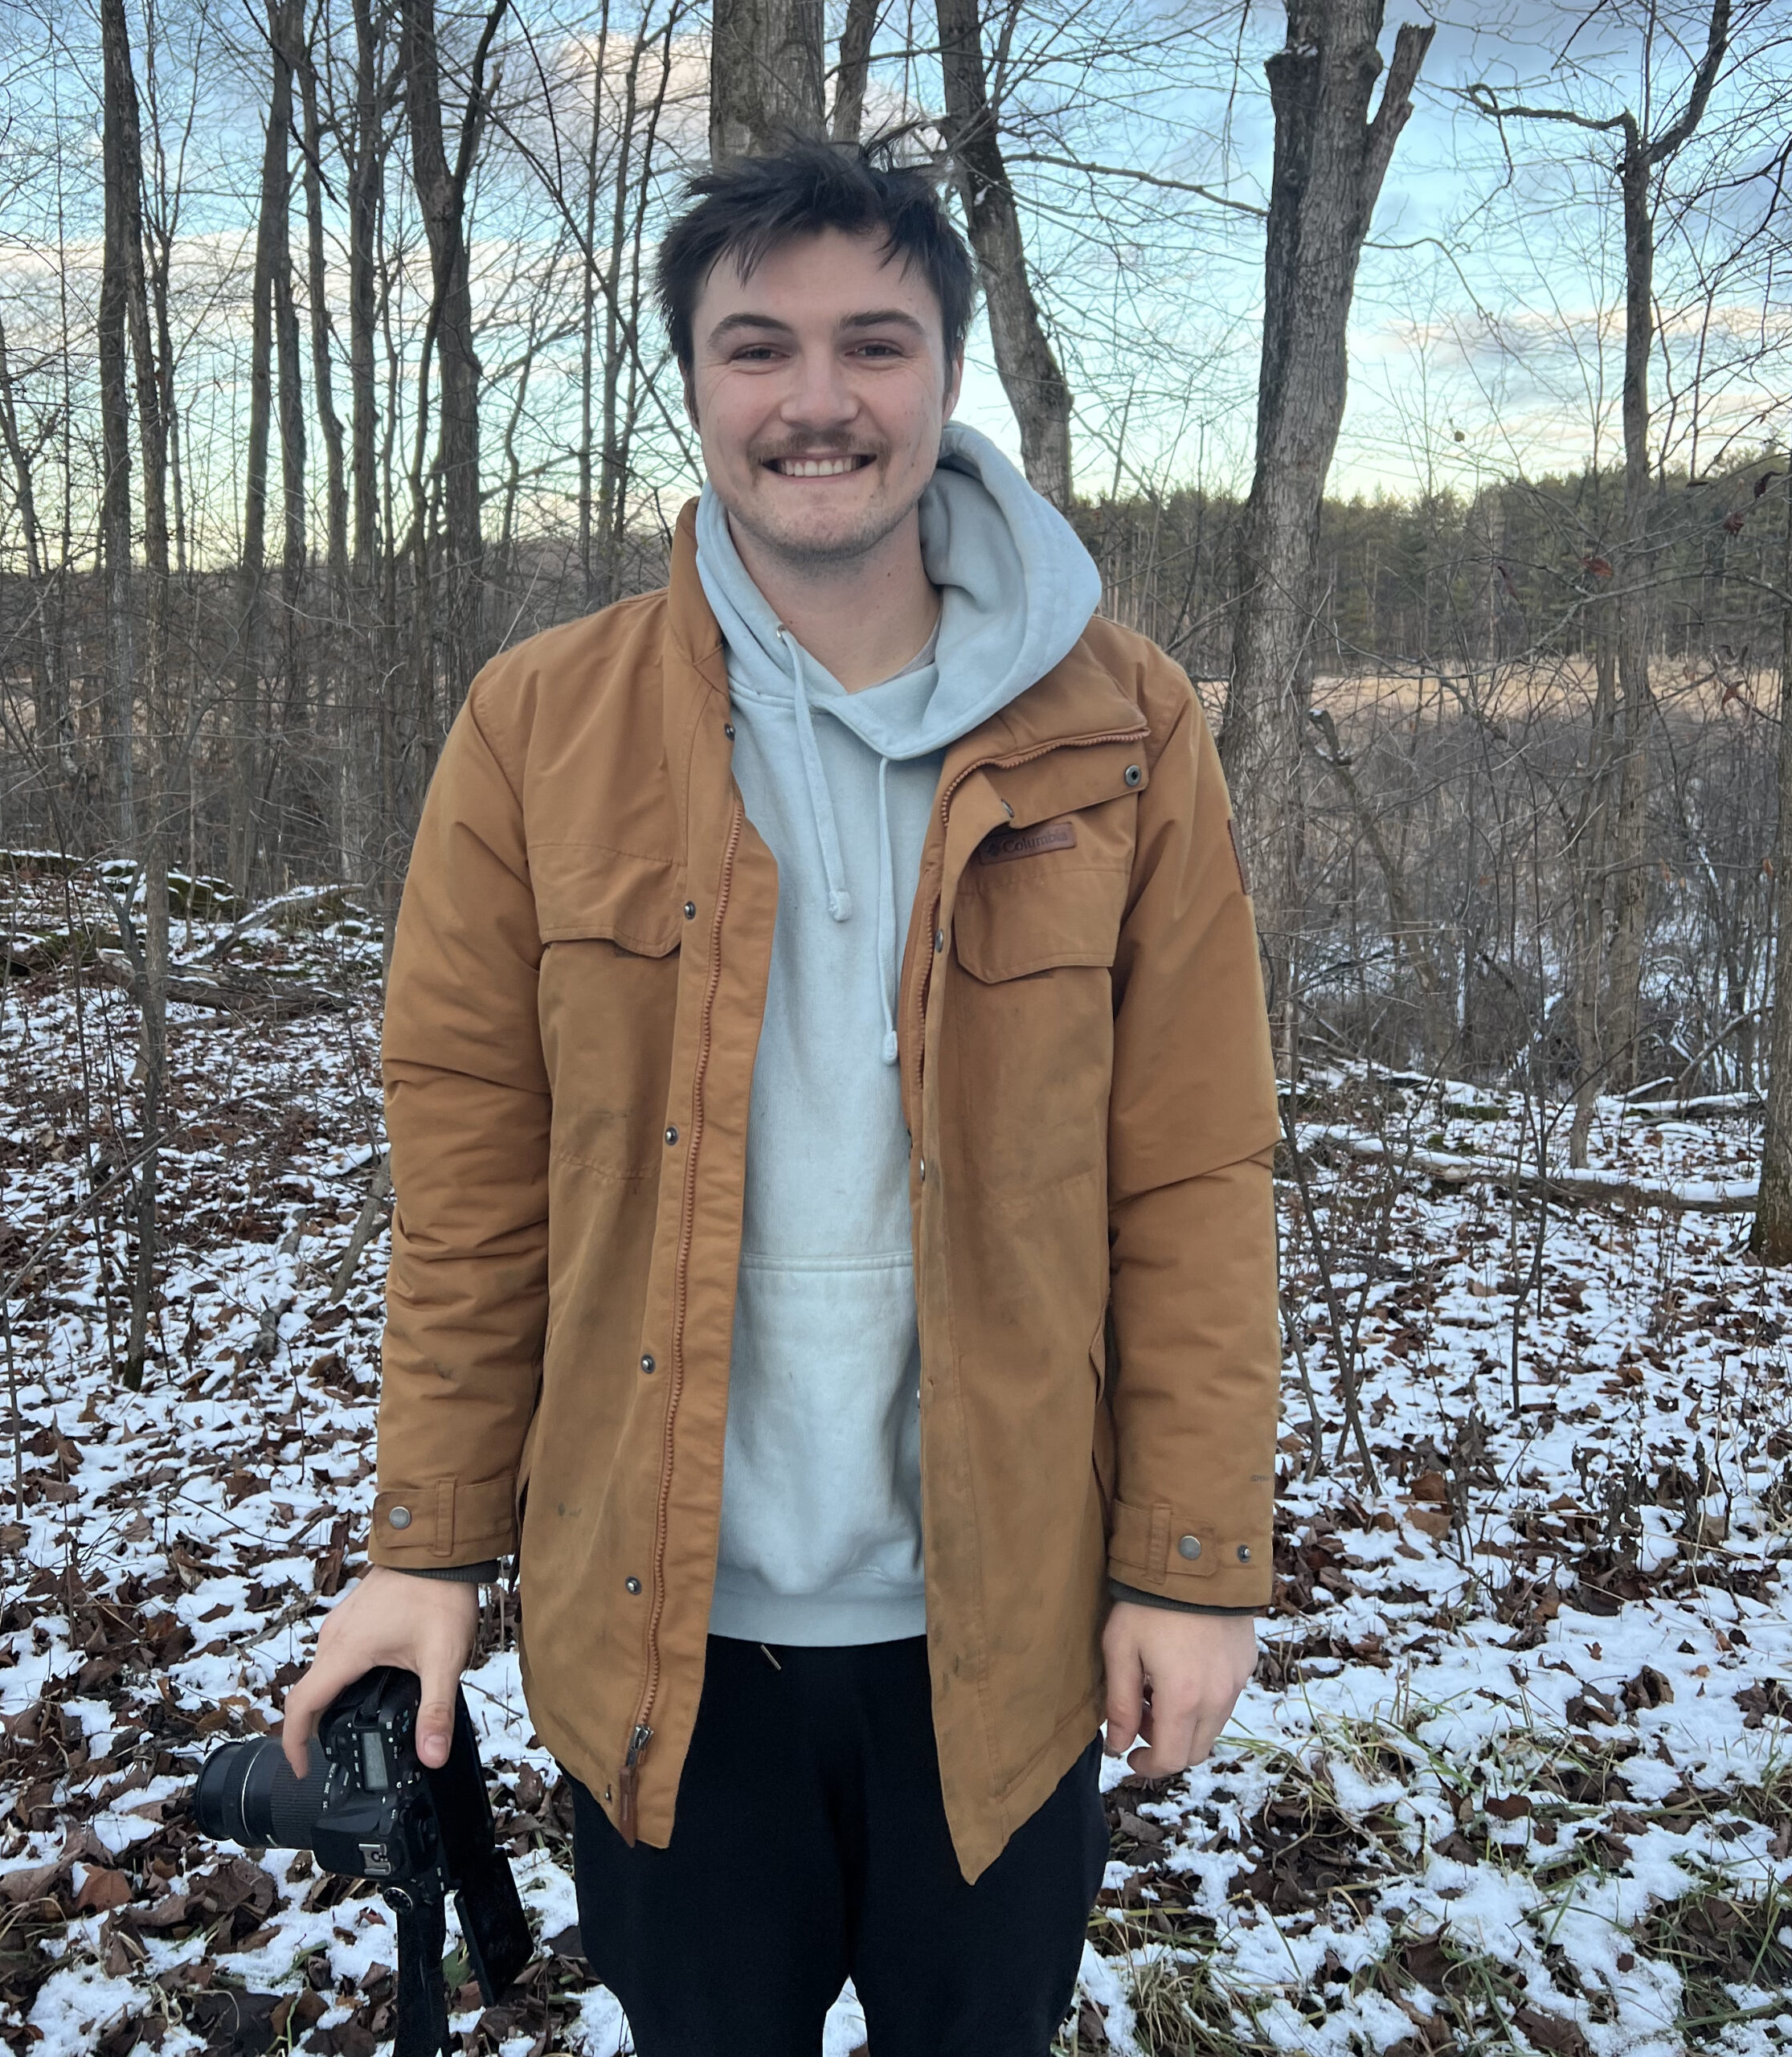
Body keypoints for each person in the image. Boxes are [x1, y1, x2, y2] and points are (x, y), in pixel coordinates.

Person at [282, 141, 1280, 2056]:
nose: (815, 401)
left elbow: (1191, 1171)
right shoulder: (534, 729)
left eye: (871, 345)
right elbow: (473, 1181)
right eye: (758, 348)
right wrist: (422, 1544)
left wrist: (1188, 1559)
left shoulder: (1124, 723)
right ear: (694, 384)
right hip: (659, 1636)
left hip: (995, 1640)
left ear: (944, 376)